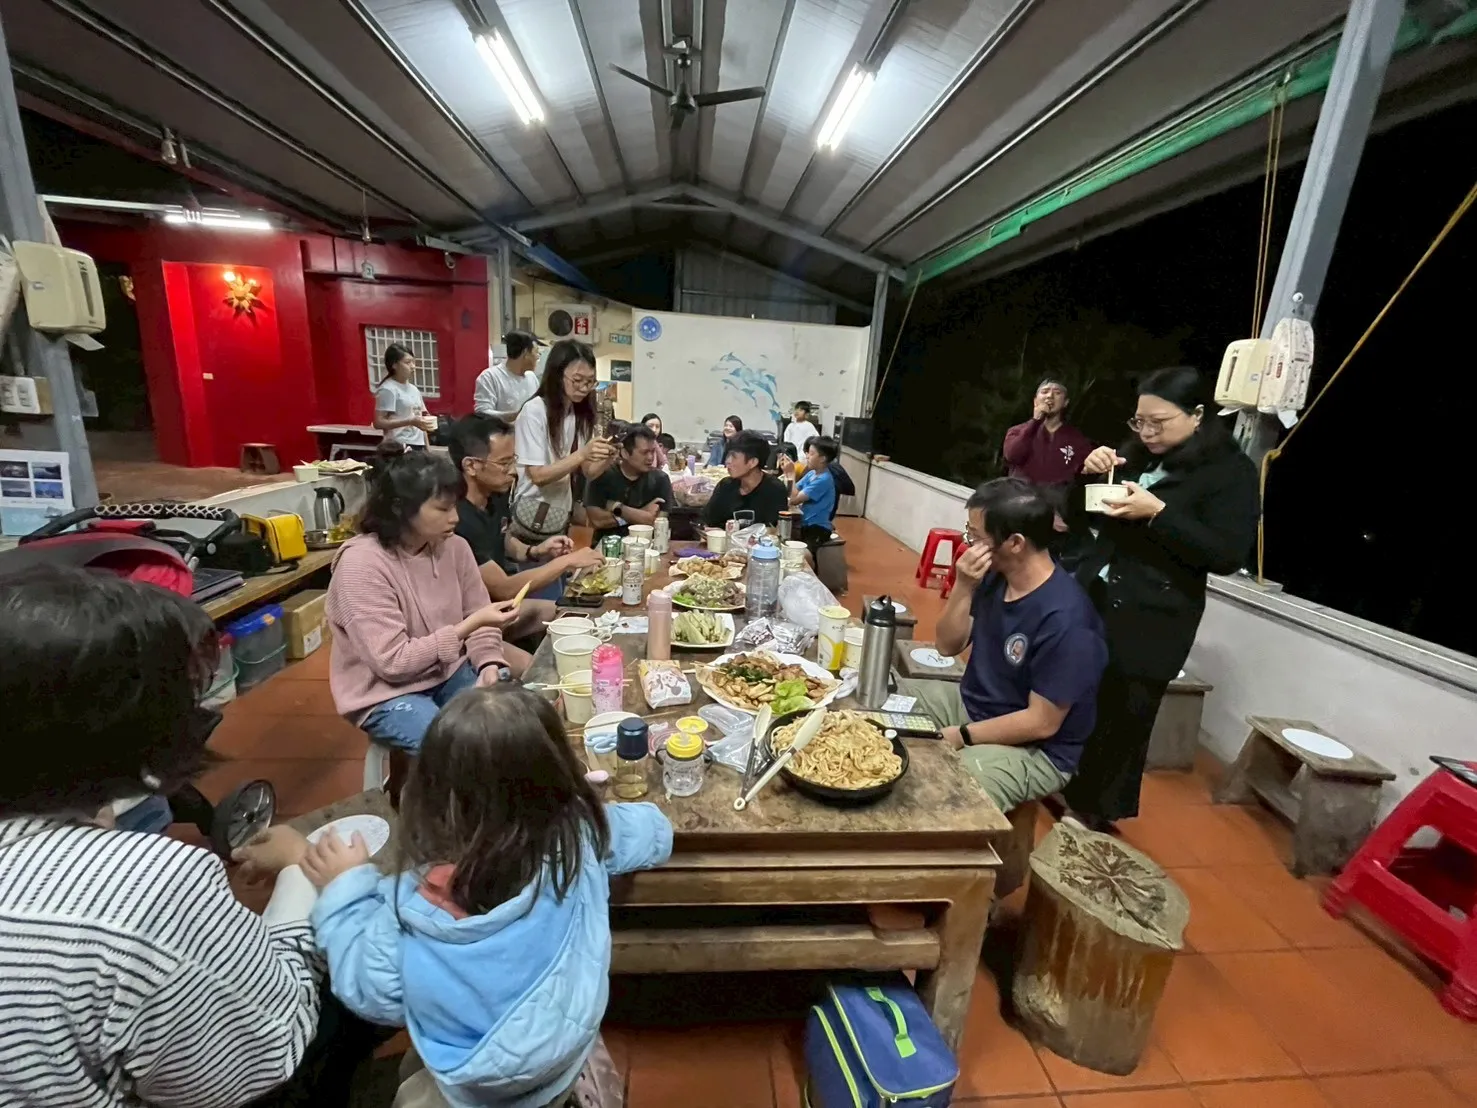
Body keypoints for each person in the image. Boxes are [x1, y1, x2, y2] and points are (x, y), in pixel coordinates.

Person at [0, 566, 385, 1107]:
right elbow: (256, 1060)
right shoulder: (144, 886)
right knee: (369, 975)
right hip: (244, 1067)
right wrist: (301, 871)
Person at [306, 686, 673, 1108]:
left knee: (411, 1087)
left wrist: (345, 888)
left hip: (473, 1087)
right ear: (559, 776)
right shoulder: (578, 836)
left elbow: (370, 994)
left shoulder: (409, 905)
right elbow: (655, 833)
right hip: (559, 1060)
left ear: (430, 790)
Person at [1063, 365, 1259, 831]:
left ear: (1197, 415)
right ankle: (1062, 779)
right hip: (1097, 593)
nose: (1146, 432)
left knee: (1125, 713)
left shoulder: (1230, 473)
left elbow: (1226, 554)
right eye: (1139, 421)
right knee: (1079, 694)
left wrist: (1158, 513)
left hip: (1155, 612)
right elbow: (1079, 516)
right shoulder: (1136, 456)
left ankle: (1094, 812)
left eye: (1159, 422)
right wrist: (1085, 476)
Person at [895, 479, 1108, 812]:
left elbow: (1041, 722)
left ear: (1015, 543)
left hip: (1036, 749)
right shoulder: (995, 576)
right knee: (881, 700)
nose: (969, 545)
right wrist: (963, 586)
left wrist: (962, 735)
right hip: (972, 706)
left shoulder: (1067, 620)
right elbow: (947, 646)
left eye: (975, 537)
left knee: (944, 790)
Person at [326, 451, 520, 754]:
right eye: (442, 508)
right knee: (458, 748)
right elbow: (393, 663)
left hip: (448, 672)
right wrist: (468, 626)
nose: (454, 518)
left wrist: (488, 663)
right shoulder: (361, 565)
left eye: (454, 505)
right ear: (400, 508)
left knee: (515, 726)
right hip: (386, 692)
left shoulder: (455, 547)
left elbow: (480, 617)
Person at [448, 414, 605, 668]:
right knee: (534, 670)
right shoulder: (457, 518)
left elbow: (504, 539)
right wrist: (567, 562)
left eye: (513, 460)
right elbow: (504, 588)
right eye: (504, 463)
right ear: (471, 466)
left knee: (571, 616)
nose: (513, 471)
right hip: (472, 627)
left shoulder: (494, 496)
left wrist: (535, 551)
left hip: (502, 611)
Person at [512, 339, 617, 541]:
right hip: (532, 512)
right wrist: (583, 453)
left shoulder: (579, 414)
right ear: (557, 375)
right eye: (577, 380)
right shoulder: (534, 411)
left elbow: (589, 471)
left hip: (560, 514)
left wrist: (608, 456)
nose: (584, 388)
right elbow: (538, 476)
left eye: (590, 381)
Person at [584, 422, 676, 545]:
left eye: (652, 452)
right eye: (644, 452)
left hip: (647, 547)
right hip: (608, 547)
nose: (650, 458)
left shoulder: (661, 479)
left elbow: (656, 523)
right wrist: (640, 513)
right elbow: (597, 521)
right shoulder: (602, 475)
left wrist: (618, 508)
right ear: (625, 453)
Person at [1001, 378, 1092, 485]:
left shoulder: (1076, 438)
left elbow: (1085, 469)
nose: (1050, 396)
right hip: (1021, 494)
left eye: (1057, 393)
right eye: (1044, 392)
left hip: (1057, 495)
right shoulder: (1016, 431)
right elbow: (1012, 456)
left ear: (1065, 402)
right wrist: (1035, 421)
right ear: (1035, 401)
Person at [702, 430, 789, 528]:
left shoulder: (774, 490)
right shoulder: (725, 486)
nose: (727, 461)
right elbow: (708, 522)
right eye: (728, 456)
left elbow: (774, 530)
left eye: (733, 457)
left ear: (753, 462)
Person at [375, 343, 436, 449]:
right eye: (407, 362)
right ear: (394, 365)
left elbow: (421, 420)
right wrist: (410, 421)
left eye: (413, 362)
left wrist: (427, 449)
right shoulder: (388, 389)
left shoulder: (414, 389)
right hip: (398, 444)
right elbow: (378, 422)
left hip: (418, 444)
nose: (413, 366)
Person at [473, 330, 543, 419]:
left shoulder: (531, 377)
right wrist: (516, 415)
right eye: (536, 352)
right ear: (525, 353)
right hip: (502, 428)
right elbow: (482, 414)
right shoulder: (489, 377)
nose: (537, 357)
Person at [790, 435, 839, 554]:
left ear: (822, 458)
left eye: (811, 454)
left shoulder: (823, 479)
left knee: (805, 555)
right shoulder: (812, 474)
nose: (807, 456)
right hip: (805, 524)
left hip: (817, 528)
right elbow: (794, 489)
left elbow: (794, 499)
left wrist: (791, 474)